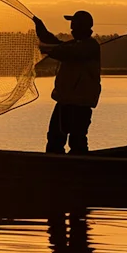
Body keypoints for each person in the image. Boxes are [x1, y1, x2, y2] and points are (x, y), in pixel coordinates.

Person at [33, 11, 101, 154]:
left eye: (74, 25)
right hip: (64, 103)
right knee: (54, 140)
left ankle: (79, 169)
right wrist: (40, 28)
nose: (71, 28)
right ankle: (55, 168)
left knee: (77, 142)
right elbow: (57, 45)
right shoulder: (73, 45)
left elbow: (65, 52)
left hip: (80, 105)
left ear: (83, 27)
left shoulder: (90, 46)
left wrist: (47, 49)